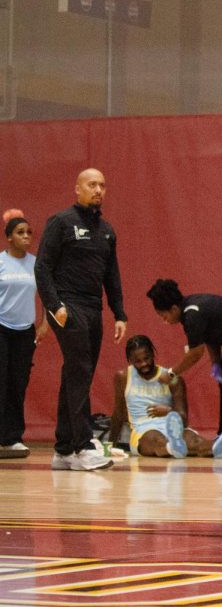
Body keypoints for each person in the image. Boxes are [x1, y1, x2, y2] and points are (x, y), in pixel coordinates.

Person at [35, 167, 126, 472]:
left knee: (76, 374)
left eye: (102, 185)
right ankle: (84, 445)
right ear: (77, 189)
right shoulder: (61, 222)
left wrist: (119, 313)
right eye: (91, 184)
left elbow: (112, 276)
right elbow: (42, 267)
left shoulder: (107, 230)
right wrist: (54, 306)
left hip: (93, 308)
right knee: (81, 369)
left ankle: (62, 450)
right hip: (67, 306)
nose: (98, 190)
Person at [107, 334, 222, 458]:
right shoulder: (123, 377)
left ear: (153, 354)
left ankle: (217, 446)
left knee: (195, 441)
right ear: (130, 360)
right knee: (156, 439)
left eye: (147, 358)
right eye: (138, 361)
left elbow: (183, 419)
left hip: (173, 427)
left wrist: (168, 411)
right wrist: (110, 444)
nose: (144, 364)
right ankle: (173, 447)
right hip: (143, 429)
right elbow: (118, 413)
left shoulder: (172, 378)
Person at [146, 278, 222, 440]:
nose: (164, 320)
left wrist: (171, 373)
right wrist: (216, 363)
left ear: (174, 308)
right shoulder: (189, 309)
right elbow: (211, 336)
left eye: (164, 315)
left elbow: (196, 352)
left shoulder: (193, 314)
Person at [0, 213, 51, 457]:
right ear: (9, 237)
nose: (26, 236)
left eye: (29, 232)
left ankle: (11, 438)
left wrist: (44, 324)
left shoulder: (36, 264)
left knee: (17, 384)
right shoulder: (0, 262)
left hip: (24, 331)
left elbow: (46, 295)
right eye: (20, 232)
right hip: (1, 327)